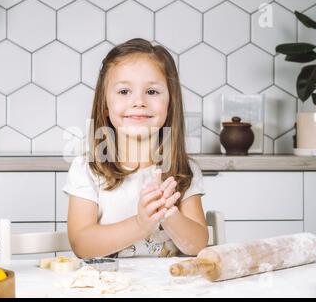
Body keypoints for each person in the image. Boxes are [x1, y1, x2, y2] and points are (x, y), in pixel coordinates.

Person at [63, 38, 208, 258]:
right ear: (105, 105)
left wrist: (170, 215)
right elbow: (82, 245)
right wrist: (141, 224)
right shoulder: (88, 170)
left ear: (170, 104)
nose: (138, 101)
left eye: (152, 92)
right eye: (124, 92)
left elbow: (197, 246)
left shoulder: (183, 171)